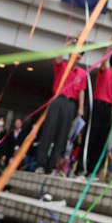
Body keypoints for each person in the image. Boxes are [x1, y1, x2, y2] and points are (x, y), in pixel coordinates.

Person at [35, 33, 87, 174]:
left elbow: (82, 91)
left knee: (62, 136)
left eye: (81, 54)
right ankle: (41, 164)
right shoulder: (62, 66)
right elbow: (59, 54)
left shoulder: (82, 72)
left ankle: (52, 166)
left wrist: (80, 108)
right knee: (49, 132)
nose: (78, 56)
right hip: (58, 100)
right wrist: (71, 41)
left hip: (71, 105)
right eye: (76, 53)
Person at [83, 47, 112, 180]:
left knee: (101, 141)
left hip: (108, 110)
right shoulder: (104, 71)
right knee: (91, 137)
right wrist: (110, 47)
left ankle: (92, 171)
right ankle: (81, 169)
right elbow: (103, 60)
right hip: (98, 105)